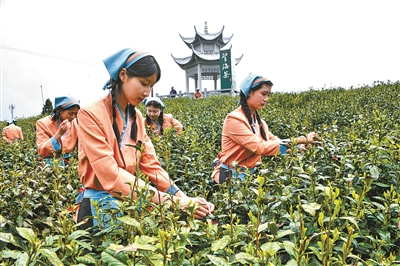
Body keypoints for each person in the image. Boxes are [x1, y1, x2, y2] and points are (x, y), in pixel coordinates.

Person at [75, 48, 214, 229]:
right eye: (143, 83)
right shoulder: (90, 114)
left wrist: (183, 198)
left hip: (129, 204)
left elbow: (151, 166)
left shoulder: (137, 119)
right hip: (97, 210)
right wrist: (171, 201)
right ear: (123, 75)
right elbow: (110, 173)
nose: (147, 92)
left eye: (151, 86)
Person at [211, 73, 320, 184]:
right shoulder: (234, 119)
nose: (266, 99)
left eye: (268, 95)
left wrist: (297, 147)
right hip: (230, 177)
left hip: (249, 175)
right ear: (249, 93)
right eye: (263, 94)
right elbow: (260, 147)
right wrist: (302, 138)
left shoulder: (260, 123)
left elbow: (275, 143)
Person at [36, 95, 80, 165]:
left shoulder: (74, 122)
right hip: (50, 163)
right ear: (60, 111)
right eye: (70, 113)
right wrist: (59, 134)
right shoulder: (42, 123)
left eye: (76, 114)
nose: (73, 117)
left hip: (68, 161)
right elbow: (41, 150)